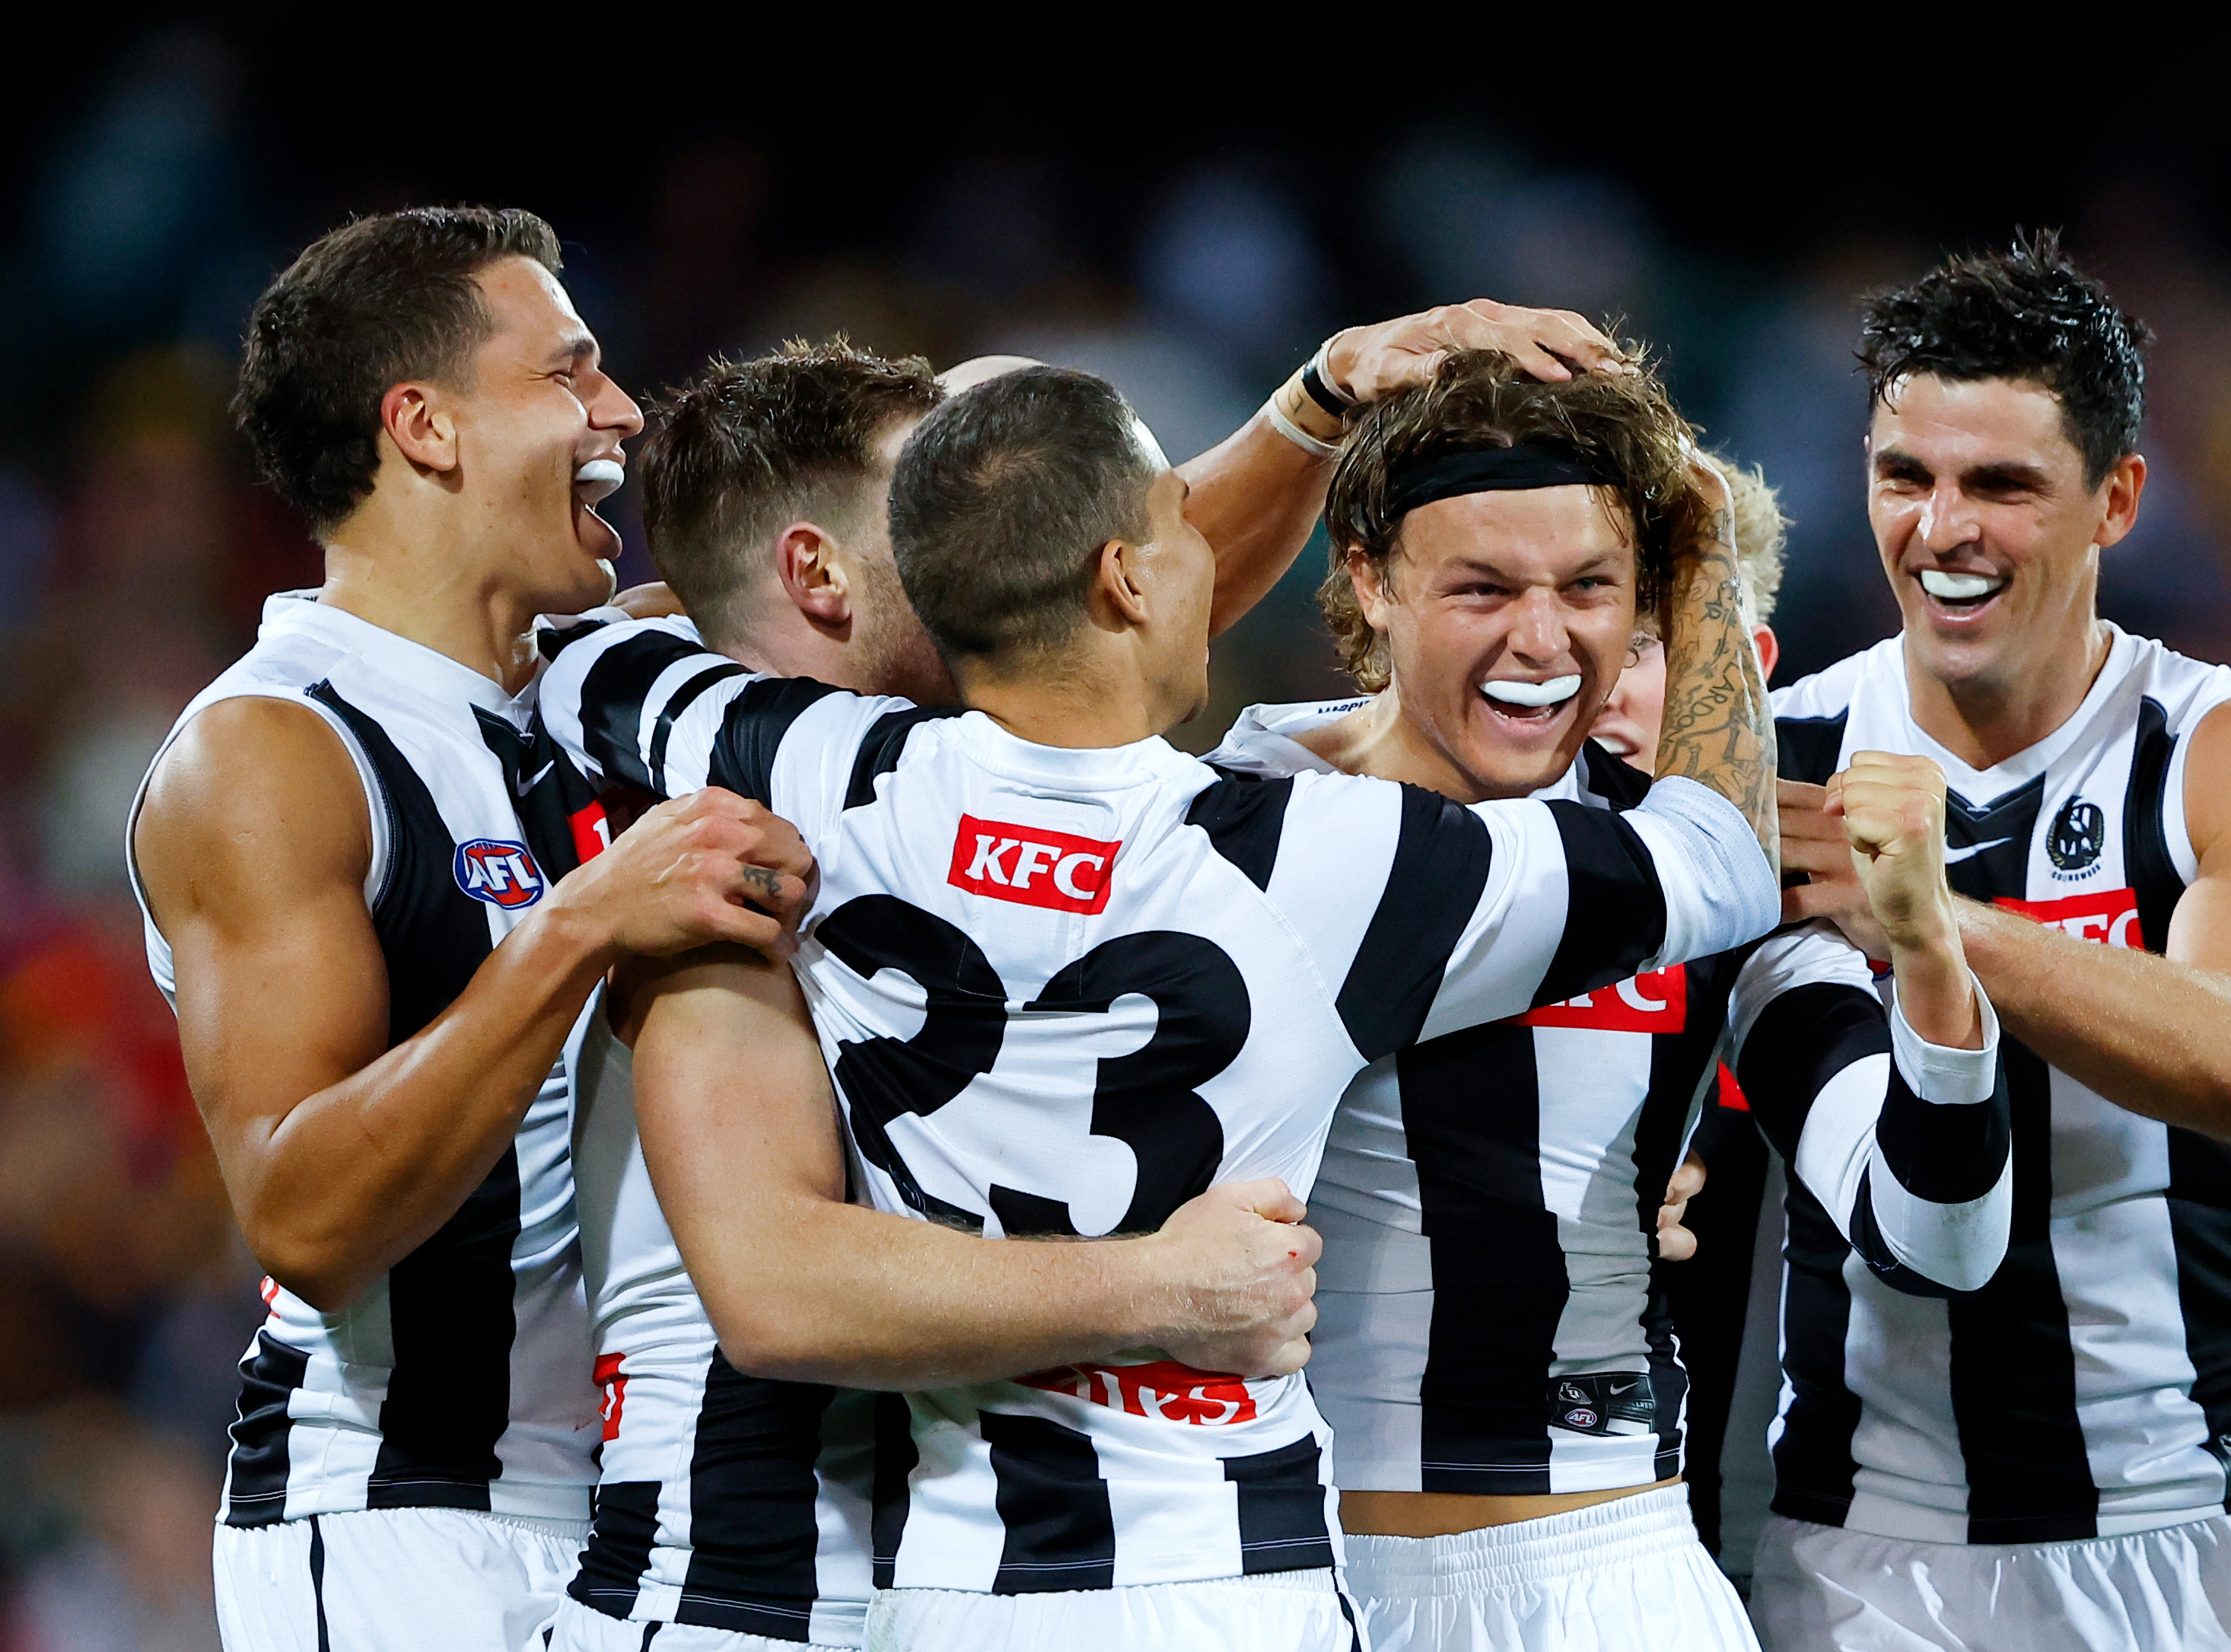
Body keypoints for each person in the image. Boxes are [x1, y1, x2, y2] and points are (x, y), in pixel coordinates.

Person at [536, 361, 1778, 1650]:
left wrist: (657, 601)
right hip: (1221, 1567)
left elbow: (584, 665)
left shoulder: (821, 774)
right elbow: (1720, 863)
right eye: (1183, 526)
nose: (1213, 562)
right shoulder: (1321, 854)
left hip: (946, 1586)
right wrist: (1702, 567)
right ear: (1126, 578)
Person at [1204, 358, 2013, 1652]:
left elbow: (1936, 1238)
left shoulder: (1723, 891)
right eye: (1482, 588)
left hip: (1610, 1577)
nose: (1543, 643)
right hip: (1278, 1575)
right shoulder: (1232, 821)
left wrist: (1927, 951)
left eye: (1591, 590)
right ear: (1370, 580)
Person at [124, 207, 820, 1651]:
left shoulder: (607, 680)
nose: (620, 411)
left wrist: (1299, 420)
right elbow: (306, 1219)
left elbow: (1023, 591)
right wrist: (575, 930)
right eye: (567, 372)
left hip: (650, 1516)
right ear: (424, 426)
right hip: (407, 1521)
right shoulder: (274, 750)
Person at [1755, 232, 2231, 1649]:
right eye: (1904, 477)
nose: (1941, 530)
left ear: (2116, 501)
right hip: (1877, 1556)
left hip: (2214, 1526)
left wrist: (1933, 921)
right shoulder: (1772, 762)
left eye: (2001, 486)